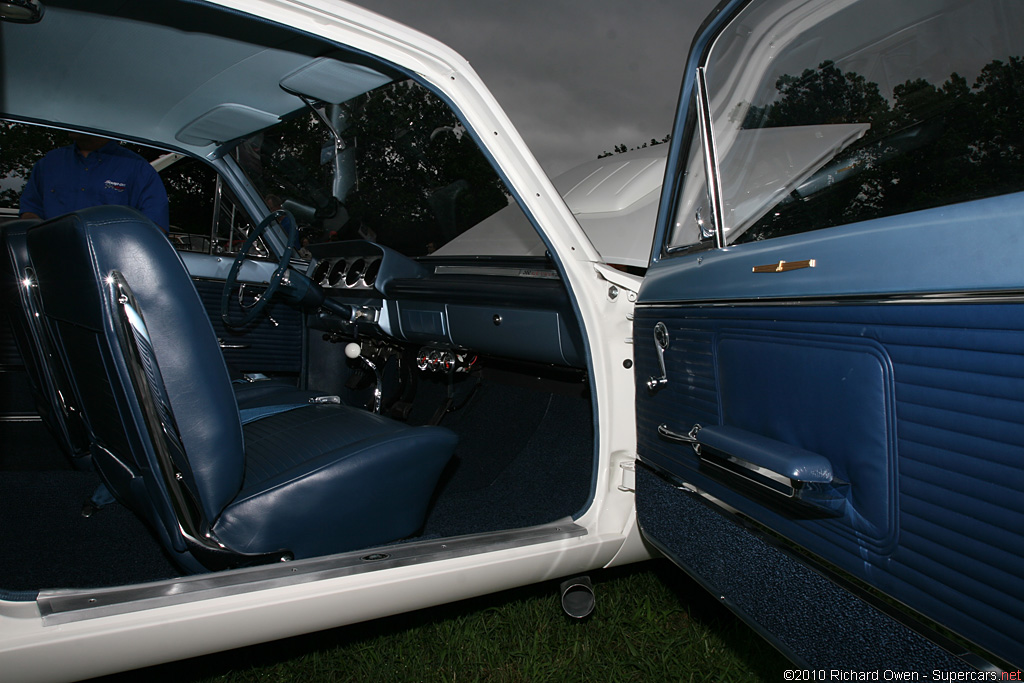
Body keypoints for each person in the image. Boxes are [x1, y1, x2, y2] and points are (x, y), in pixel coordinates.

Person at [19, 133, 170, 231]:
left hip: (109, 270)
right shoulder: (49, 163)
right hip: (52, 265)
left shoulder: (138, 169)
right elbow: (30, 210)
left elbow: (156, 229)